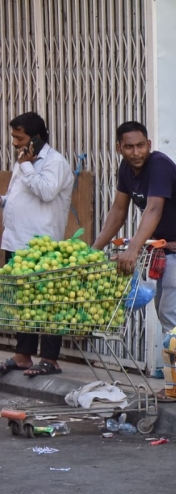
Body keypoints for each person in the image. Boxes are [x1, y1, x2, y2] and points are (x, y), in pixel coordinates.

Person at [94, 121, 176, 394]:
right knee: (167, 313)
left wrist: (133, 249)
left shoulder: (159, 165)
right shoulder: (126, 169)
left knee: (172, 314)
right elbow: (118, 210)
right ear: (119, 148)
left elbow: (154, 208)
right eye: (130, 147)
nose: (136, 152)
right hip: (165, 246)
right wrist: (93, 249)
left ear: (149, 144)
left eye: (141, 145)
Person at [0, 112, 74, 378]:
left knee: (47, 302)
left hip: (41, 246)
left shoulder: (55, 163)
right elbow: (17, 198)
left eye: (19, 138)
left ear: (37, 139)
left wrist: (27, 166)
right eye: (13, 137)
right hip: (16, 241)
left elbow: (46, 191)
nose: (14, 143)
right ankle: (22, 355)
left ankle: (50, 359)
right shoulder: (23, 162)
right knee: (22, 303)